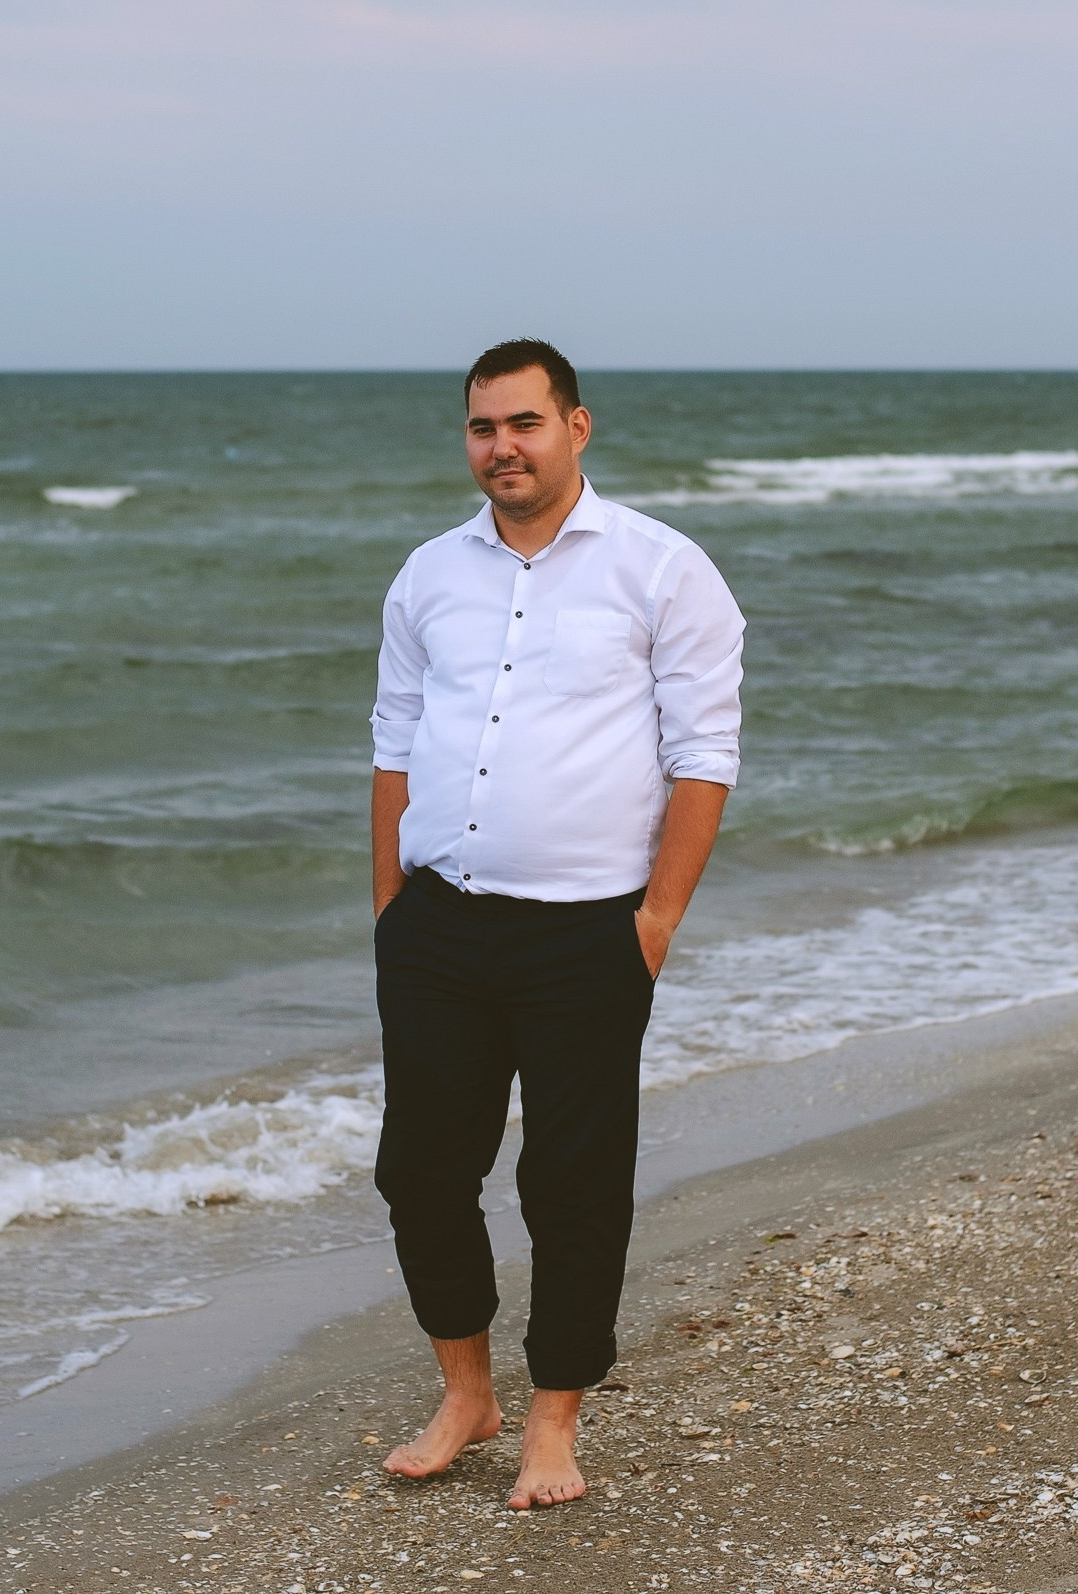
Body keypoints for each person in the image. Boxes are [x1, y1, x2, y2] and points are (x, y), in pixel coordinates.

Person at [367, 339, 744, 1506]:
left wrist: (658, 919)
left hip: (588, 932)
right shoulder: (429, 574)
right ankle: (466, 1392)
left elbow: (703, 756)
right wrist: (391, 913)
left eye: (524, 423)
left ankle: (553, 1422)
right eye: (483, 427)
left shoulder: (662, 569)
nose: (502, 447)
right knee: (421, 1172)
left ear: (578, 427)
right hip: (438, 928)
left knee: (574, 1183)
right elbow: (391, 750)